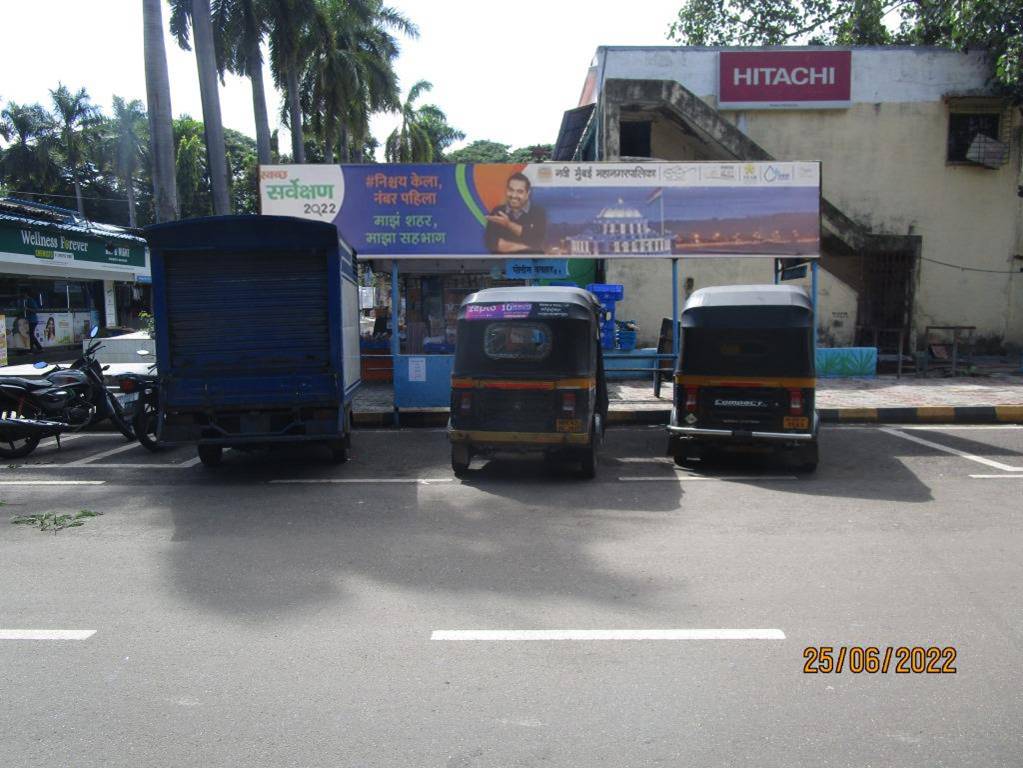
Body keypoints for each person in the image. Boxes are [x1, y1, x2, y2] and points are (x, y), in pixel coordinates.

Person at [484, 172, 547, 254]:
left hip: (529, 262)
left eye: (519, 191)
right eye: (511, 190)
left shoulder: (539, 213)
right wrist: (528, 246)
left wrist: (508, 224)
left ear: (528, 193)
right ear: (506, 190)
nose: (514, 195)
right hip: (503, 262)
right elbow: (492, 244)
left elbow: (537, 242)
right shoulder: (497, 212)